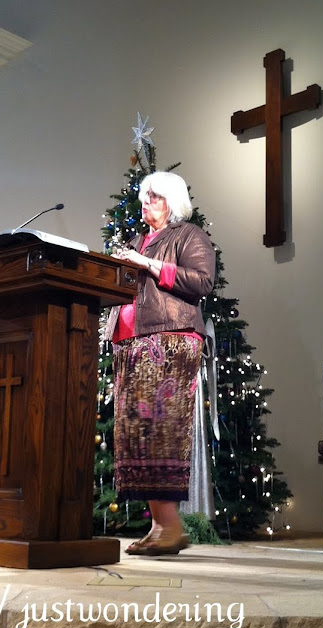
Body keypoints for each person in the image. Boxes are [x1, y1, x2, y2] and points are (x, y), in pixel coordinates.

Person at [106, 171, 216, 556]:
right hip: (131, 344)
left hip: (170, 340)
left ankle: (171, 526)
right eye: (144, 197)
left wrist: (147, 264)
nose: (145, 203)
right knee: (137, 435)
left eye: (154, 196)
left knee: (161, 431)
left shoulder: (189, 235)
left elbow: (201, 282)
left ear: (173, 200)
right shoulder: (137, 241)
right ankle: (159, 527)